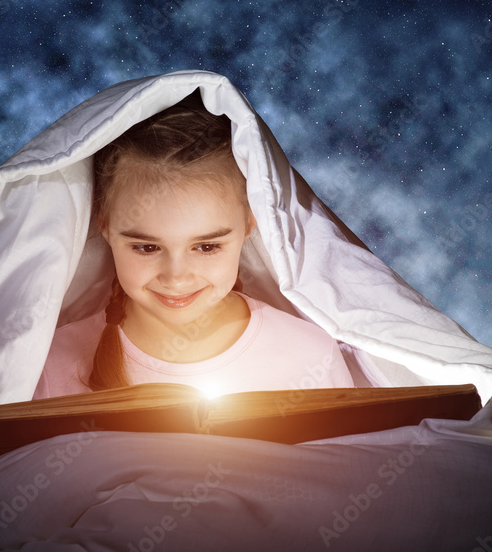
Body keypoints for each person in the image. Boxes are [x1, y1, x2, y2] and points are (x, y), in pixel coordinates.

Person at [32, 91, 356, 398]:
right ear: (104, 225)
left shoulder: (309, 357)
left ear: (249, 224)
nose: (176, 278)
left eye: (206, 247)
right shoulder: (49, 368)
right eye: (147, 248)